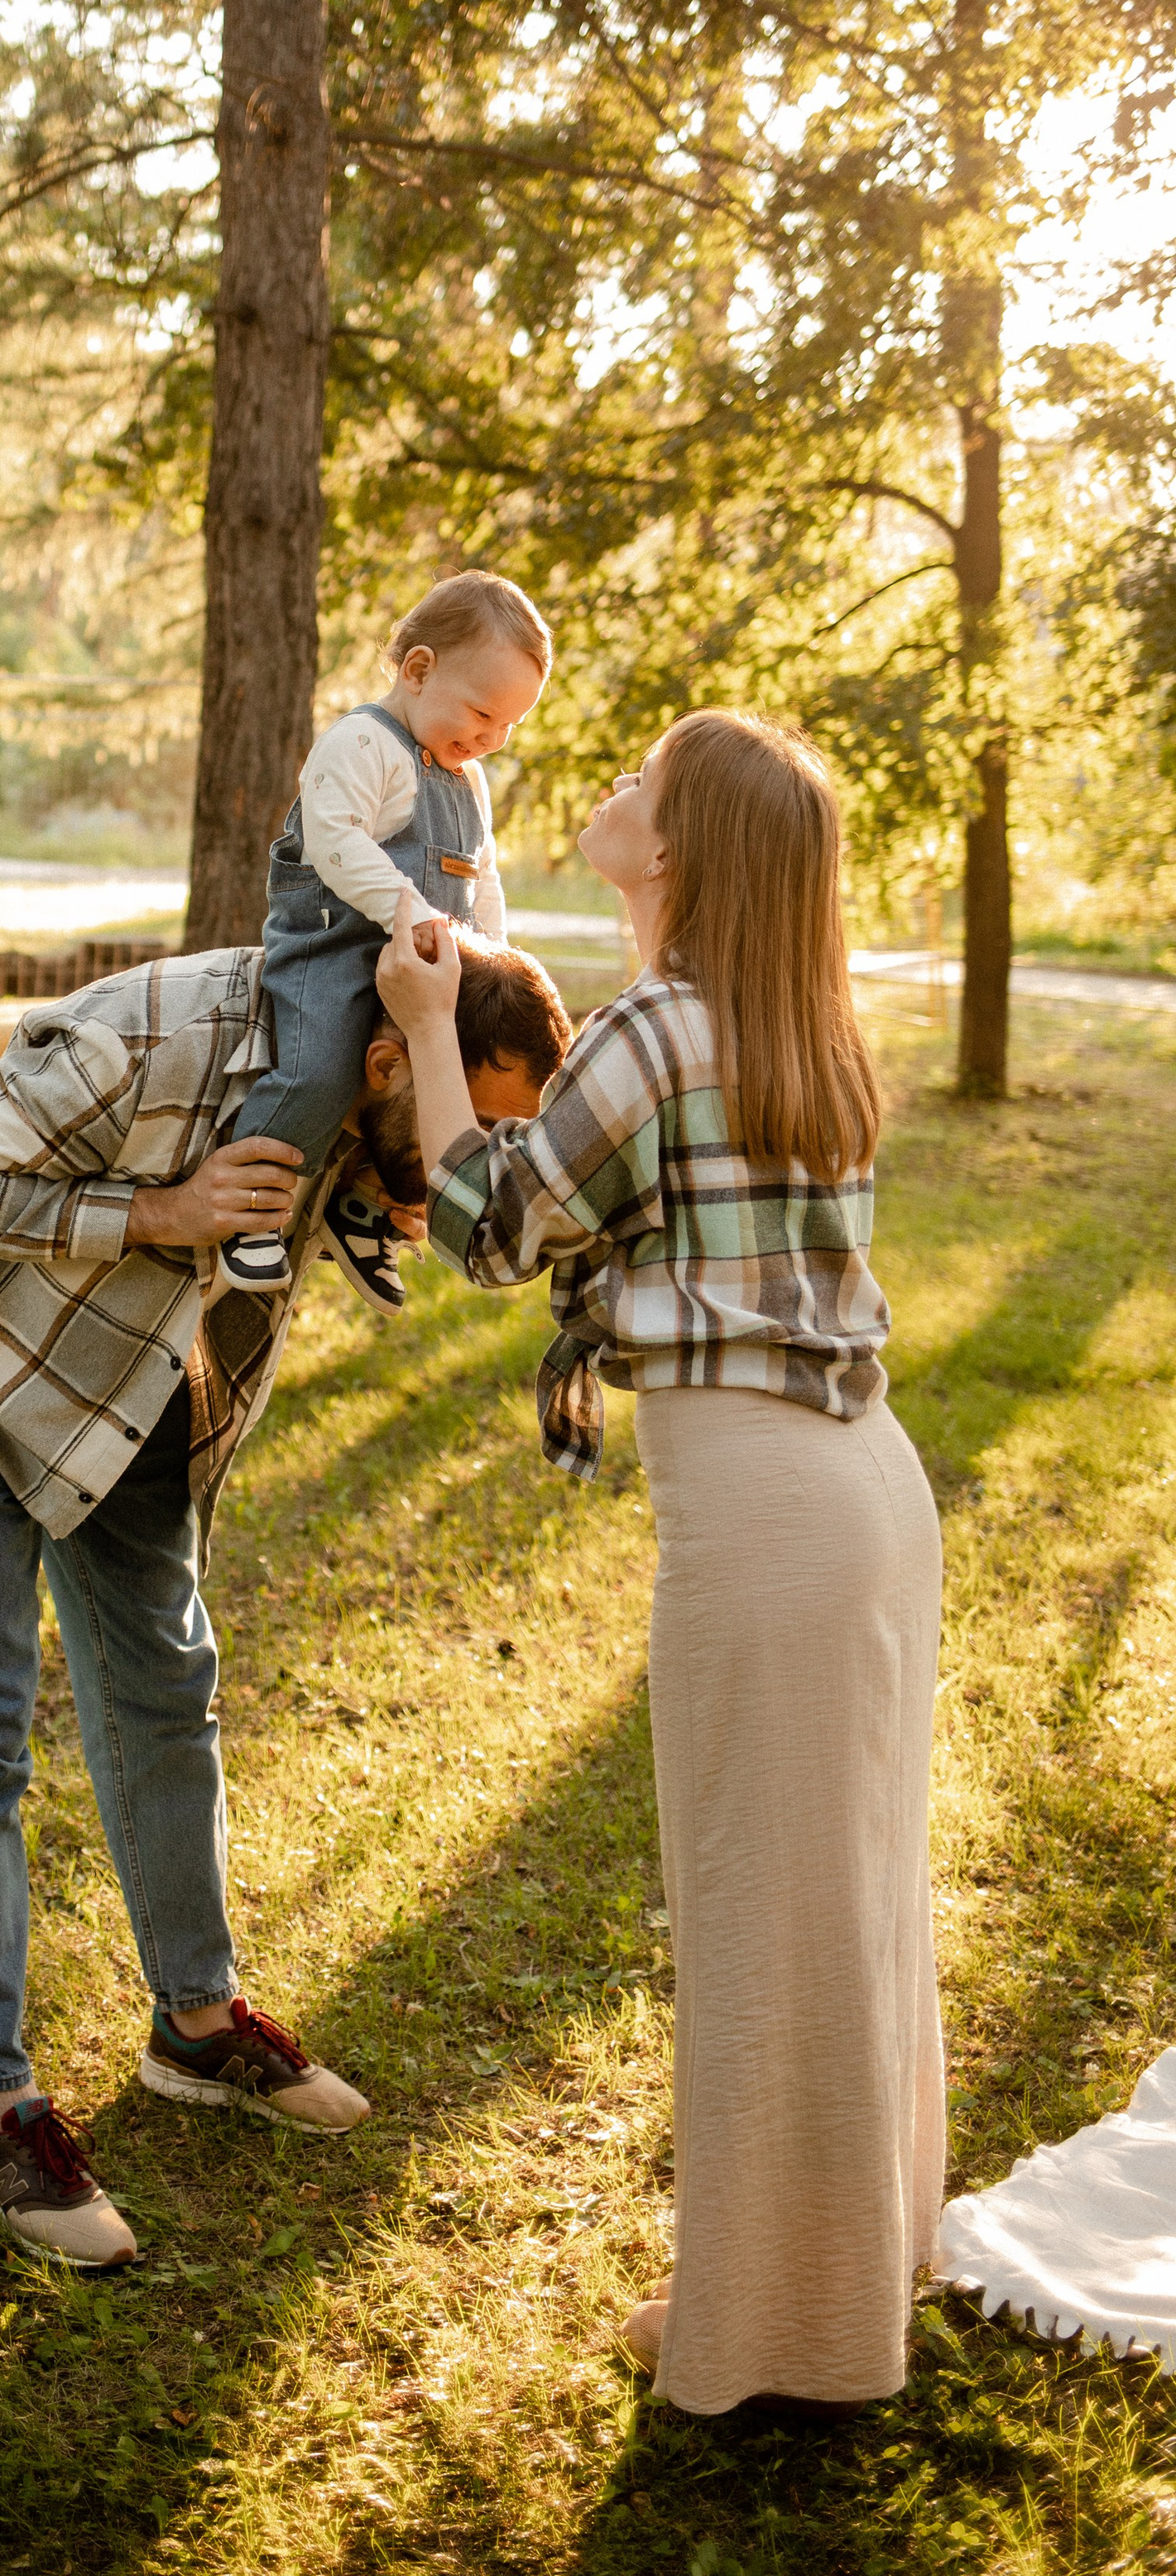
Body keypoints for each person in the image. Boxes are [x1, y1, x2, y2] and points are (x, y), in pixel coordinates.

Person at [375, 712, 943, 2417]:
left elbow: (486, 1223)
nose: (606, 790)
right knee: (841, 1904)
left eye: (638, 780)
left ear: (678, 849)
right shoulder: (792, 1026)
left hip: (767, 1510)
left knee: (758, 1916)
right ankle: (828, 2269)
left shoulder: (655, 1026)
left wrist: (418, 1025)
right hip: (863, 1491)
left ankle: (788, 2337)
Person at [0, 937, 571, 2266]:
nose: (464, 1144)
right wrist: (162, 1210)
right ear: (383, 1058)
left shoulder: (364, 1087)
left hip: (132, 1410)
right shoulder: (156, 1031)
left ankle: (194, 2026)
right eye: (460, 1113)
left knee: (168, 1695)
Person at [217, 570, 551, 1317]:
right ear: (419, 669)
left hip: (428, 964)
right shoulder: (364, 743)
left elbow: (483, 875)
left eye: (510, 727)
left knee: (431, 1093)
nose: (491, 739)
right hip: (337, 947)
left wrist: (488, 951)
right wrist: (412, 911)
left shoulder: (468, 781)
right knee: (324, 1070)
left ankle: (365, 1205)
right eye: (482, 712)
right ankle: (249, 1206)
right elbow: (334, 844)